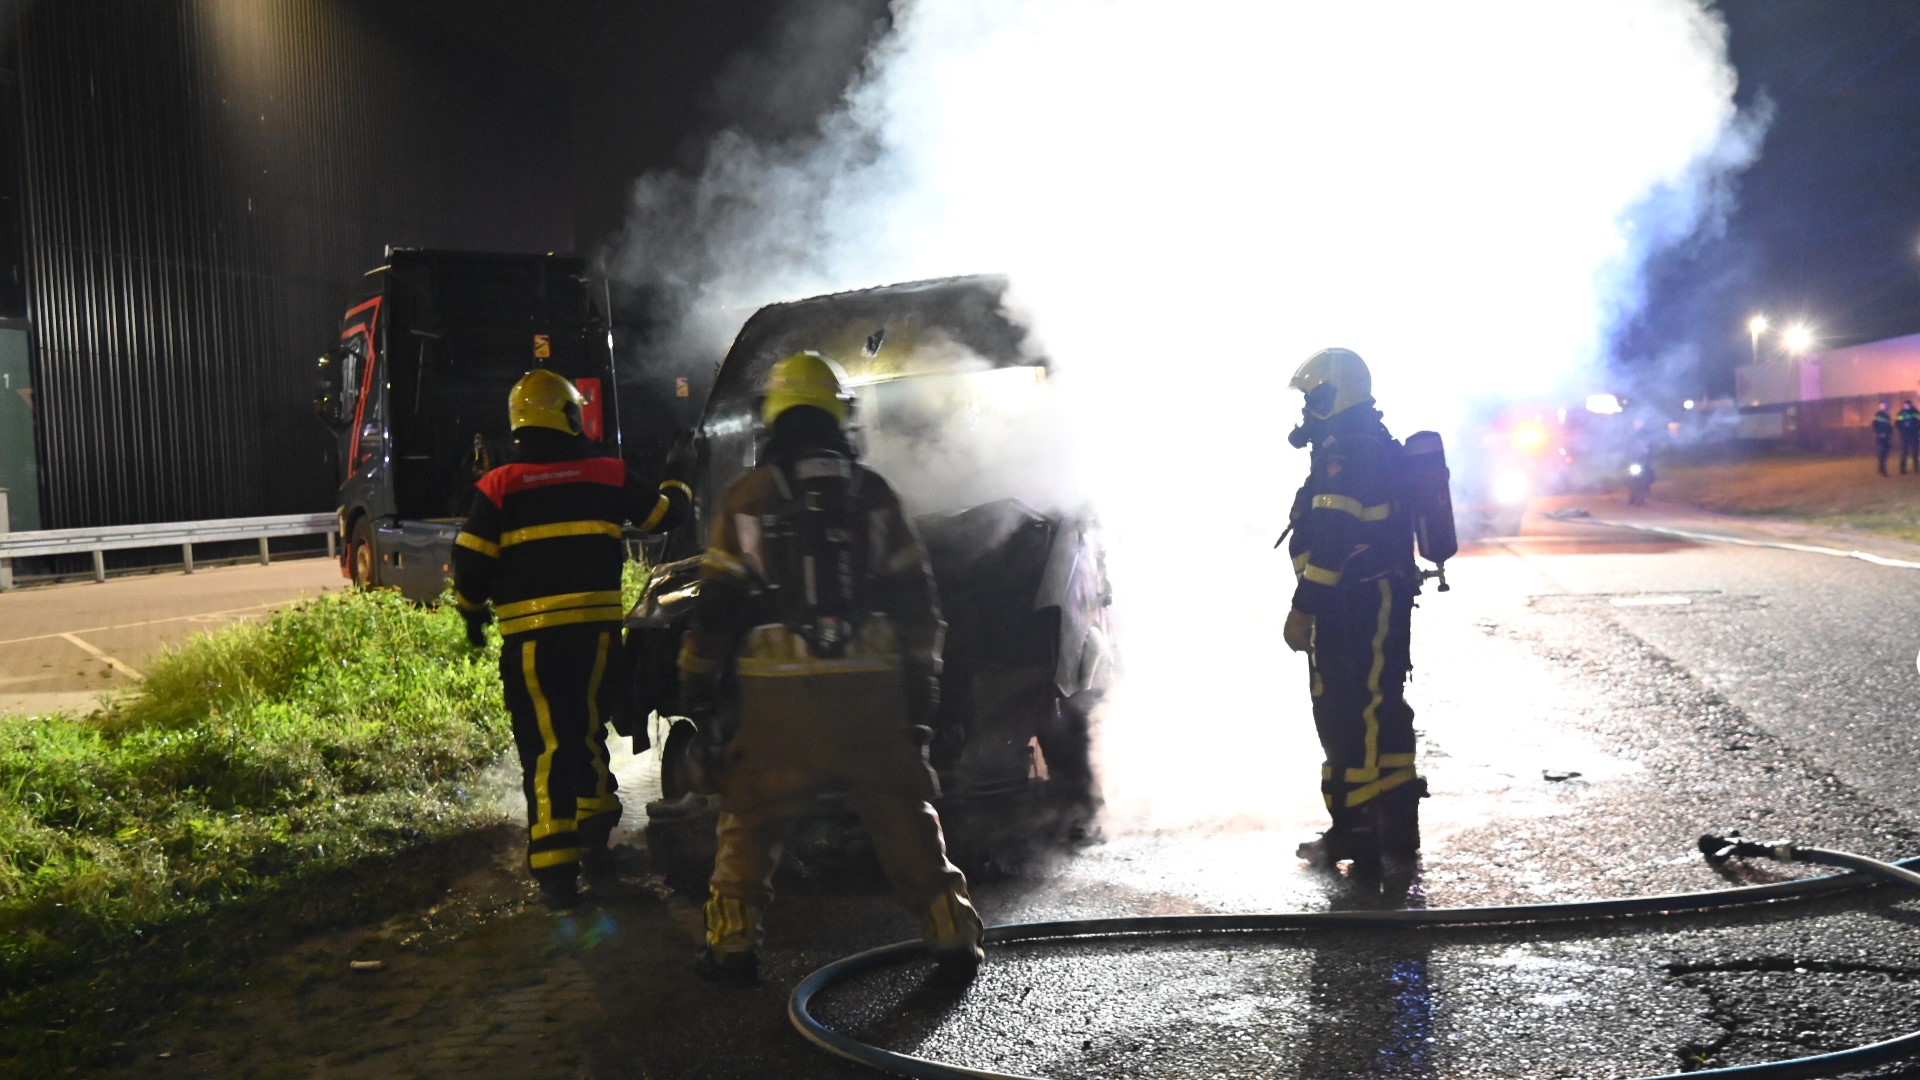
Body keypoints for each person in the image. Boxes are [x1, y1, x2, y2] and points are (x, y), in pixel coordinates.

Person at [678, 351, 984, 985]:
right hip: (871, 696)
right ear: (840, 415)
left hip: (775, 702)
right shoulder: (873, 494)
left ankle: (731, 947)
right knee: (905, 815)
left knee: (750, 818)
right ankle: (952, 934)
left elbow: (715, 611)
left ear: (772, 417)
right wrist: (925, 698)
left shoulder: (748, 497)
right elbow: (918, 605)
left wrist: (698, 688)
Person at [452, 369, 693, 908]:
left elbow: (469, 563)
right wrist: (679, 469)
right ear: (566, 415)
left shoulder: (499, 486)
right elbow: (666, 515)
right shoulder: (606, 473)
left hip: (533, 645)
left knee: (546, 748)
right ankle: (595, 841)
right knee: (585, 734)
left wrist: (472, 613)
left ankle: (556, 871)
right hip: (597, 640)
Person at [1281, 347, 1427, 880]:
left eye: (1313, 397)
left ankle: (1356, 829)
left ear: (1334, 393)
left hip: (1354, 603)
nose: (1306, 409)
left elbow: (1333, 539)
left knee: (1347, 712)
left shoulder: (1348, 449)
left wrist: (1303, 609)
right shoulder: (1361, 441)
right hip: (1373, 598)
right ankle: (1396, 825)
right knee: (1380, 708)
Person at [1896, 399, 1920, 474]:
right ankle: (1903, 469)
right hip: (1905, 435)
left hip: (1914, 434)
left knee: (1915, 451)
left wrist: (1916, 429)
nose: (1906, 406)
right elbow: (1897, 423)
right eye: (1905, 405)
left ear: (1910, 405)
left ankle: (1916, 467)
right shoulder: (1901, 413)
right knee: (1904, 452)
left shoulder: (1915, 412)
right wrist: (1902, 429)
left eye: (1907, 405)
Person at [1873, 404, 1894, 477]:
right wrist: (1879, 433)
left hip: (1886, 437)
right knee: (1882, 452)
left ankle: (1881, 467)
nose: (1882, 407)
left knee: (1885, 453)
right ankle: (1884, 470)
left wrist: (1888, 434)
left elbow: (1890, 427)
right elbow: (1874, 425)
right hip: (1880, 437)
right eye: (1881, 406)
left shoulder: (1887, 416)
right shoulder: (1877, 415)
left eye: (1884, 406)